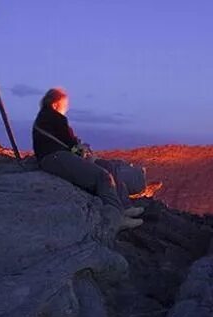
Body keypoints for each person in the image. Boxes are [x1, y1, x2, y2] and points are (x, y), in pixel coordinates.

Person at [33, 88, 144, 231]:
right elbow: (71, 144)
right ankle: (116, 218)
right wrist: (83, 153)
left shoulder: (47, 118)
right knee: (103, 176)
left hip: (59, 155)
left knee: (108, 167)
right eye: (64, 104)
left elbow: (67, 142)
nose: (67, 107)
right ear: (55, 104)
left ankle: (124, 207)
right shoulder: (54, 117)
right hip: (56, 158)